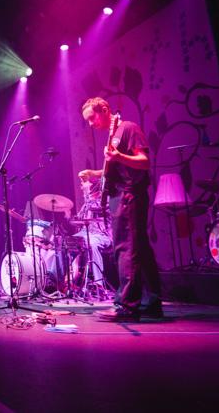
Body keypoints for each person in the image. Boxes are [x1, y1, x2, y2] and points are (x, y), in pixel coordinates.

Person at [78, 97, 162, 321]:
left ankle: (126, 305)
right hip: (121, 194)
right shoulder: (114, 134)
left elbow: (144, 161)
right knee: (140, 249)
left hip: (129, 195)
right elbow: (118, 168)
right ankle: (152, 302)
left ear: (105, 110)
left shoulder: (128, 128)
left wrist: (119, 156)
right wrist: (95, 174)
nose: (91, 124)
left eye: (92, 118)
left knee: (126, 248)